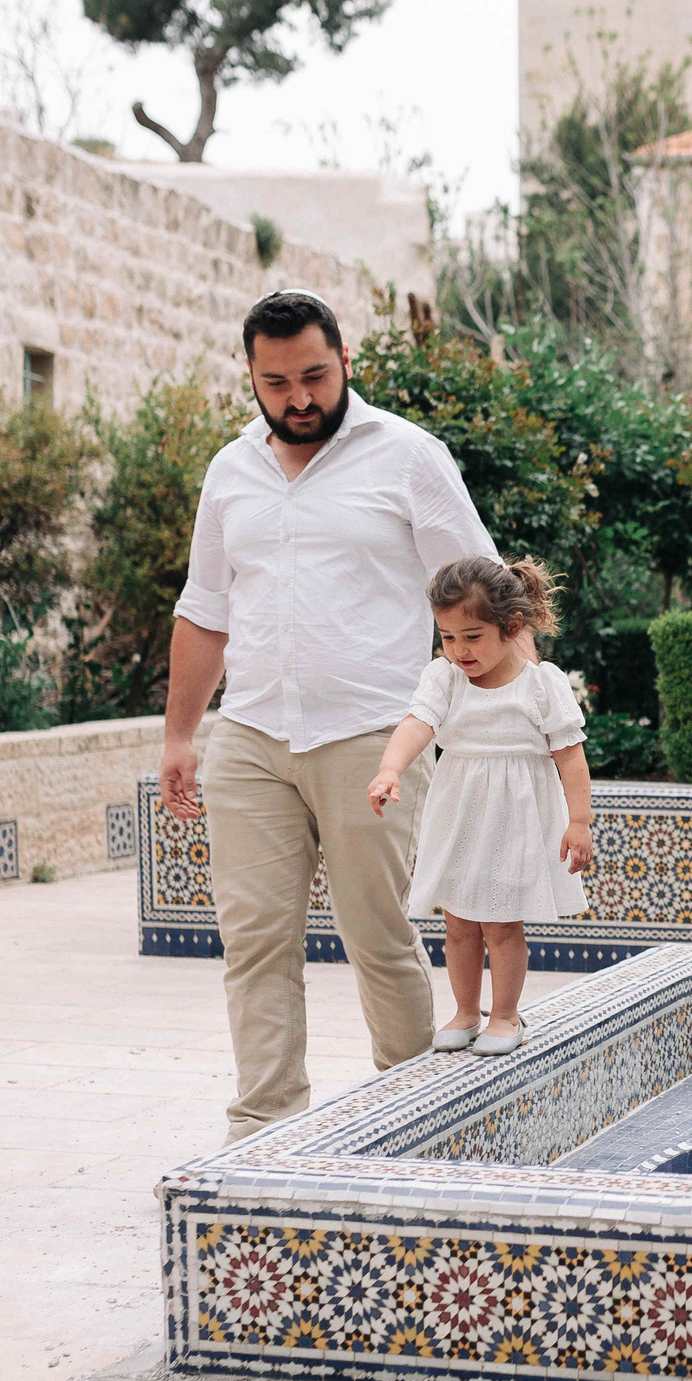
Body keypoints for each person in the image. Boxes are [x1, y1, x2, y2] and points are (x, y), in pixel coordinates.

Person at [159, 289, 502, 1142]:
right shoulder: (229, 470)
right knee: (254, 944)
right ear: (252, 377)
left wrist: (507, 719)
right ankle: (264, 1131)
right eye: (277, 382)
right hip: (251, 733)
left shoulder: (408, 457)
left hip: (371, 735)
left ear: (346, 362)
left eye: (315, 375)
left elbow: (480, 589)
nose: (299, 397)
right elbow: (205, 608)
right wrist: (179, 734)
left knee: (379, 937)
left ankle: (417, 1120)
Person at [366, 556, 595, 1056]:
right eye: (448, 637)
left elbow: (570, 756)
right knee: (459, 920)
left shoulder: (540, 685)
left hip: (517, 819)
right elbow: (417, 724)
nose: (459, 650)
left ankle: (506, 1015)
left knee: (501, 921)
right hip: (459, 814)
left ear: (511, 628)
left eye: (472, 636)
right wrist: (390, 768)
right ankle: (466, 1011)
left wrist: (579, 821)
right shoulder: (444, 679)